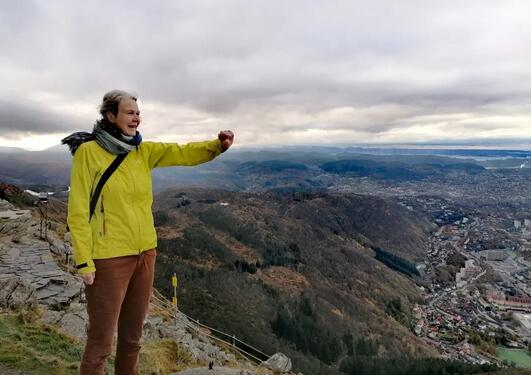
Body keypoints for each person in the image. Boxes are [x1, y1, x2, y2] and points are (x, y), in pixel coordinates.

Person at [62, 90, 234, 375]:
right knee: (100, 344)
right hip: (108, 259)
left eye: (138, 113)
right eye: (129, 112)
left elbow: (181, 152)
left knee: (132, 341)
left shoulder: (142, 150)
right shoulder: (88, 152)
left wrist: (216, 146)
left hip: (145, 254)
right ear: (110, 116)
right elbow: (77, 211)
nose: (136, 118)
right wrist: (84, 261)